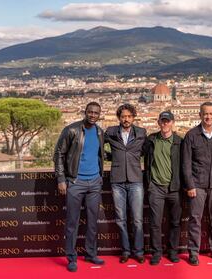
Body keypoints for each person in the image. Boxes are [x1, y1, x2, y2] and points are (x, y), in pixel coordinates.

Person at [54, 101, 105, 272]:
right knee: (72, 223)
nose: (92, 115)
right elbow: (59, 154)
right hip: (75, 182)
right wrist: (61, 179)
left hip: (95, 182)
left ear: (99, 115)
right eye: (90, 112)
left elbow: (99, 155)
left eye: (96, 113)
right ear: (85, 112)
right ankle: (71, 257)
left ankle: (90, 253)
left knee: (92, 222)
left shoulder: (99, 131)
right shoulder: (72, 130)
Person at [182, 101, 212, 266]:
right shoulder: (191, 135)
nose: (208, 116)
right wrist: (190, 185)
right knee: (195, 219)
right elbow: (186, 163)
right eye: (205, 114)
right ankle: (193, 253)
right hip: (197, 185)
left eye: (211, 113)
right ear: (200, 115)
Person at [104, 103, 147, 264]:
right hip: (117, 180)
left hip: (136, 179)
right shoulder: (111, 132)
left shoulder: (141, 133)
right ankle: (126, 251)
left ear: (133, 117)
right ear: (119, 118)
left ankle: (139, 251)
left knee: (137, 219)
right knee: (120, 219)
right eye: (123, 116)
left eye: (129, 116)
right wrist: (111, 157)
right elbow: (100, 148)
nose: (126, 119)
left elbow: (146, 151)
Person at [143, 111, 183, 265]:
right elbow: (137, 154)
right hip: (156, 188)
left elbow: (185, 165)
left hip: (174, 187)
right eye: (163, 121)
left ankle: (173, 252)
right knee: (155, 223)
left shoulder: (179, 142)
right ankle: (156, 253)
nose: (165, 124)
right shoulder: (151, 140)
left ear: (172, 122)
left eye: (168, 121)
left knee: (175, 222)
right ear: (158, 122)